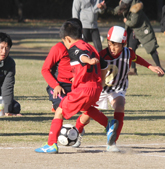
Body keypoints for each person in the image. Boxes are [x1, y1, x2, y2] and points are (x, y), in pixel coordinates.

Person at [73, 26, 164, 152]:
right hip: (102, 89)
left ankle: (112, 142)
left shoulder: (128, 53)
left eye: (116, 45)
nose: (112, 48)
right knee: (87, 115)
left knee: (120, 105)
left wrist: (150, 66)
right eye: (110, 44)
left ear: (123, 44)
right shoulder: (102, 55)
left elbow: (136, 58)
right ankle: (76, 133)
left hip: (118, 88)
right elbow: (91, 69)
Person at [35, 20, 119, 154]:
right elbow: (104, 65)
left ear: (67, 38)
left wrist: (88, 61)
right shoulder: (91, 47)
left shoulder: (74, 48)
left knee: (60, 111)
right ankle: (108, 124)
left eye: (64, 40)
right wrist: (102, 81)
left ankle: (51, 144)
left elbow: (81, 56)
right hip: (95, 88)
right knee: (87, 108)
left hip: (83, 89)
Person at [111, 0, 165, 75]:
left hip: (143, 30)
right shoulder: (124, 4)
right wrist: (104, 8)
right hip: (133, 32)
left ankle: (160, 68)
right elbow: (115, 11)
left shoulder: (136, 7)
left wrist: (126, 21)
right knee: (131, 50)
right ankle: (133, 70)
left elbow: (133, 22)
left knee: (151, 49)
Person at [0, 32, 21, 116]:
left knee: (15, 107)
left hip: (0, 97)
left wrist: (7, 111)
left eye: (7, 48)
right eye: (1, 48)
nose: (4, 51)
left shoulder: (10, 63)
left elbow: (8, 86)